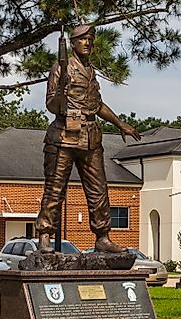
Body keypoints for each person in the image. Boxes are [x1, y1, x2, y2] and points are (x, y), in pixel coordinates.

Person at [35, 24, 141, 253]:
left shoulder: (90, 71)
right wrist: (61, 94)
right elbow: (51, 104)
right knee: (55, 189)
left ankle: (102, 237)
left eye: (91, 39)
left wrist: (120, 123)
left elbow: (97, 104)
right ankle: (44, 234)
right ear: (73, 43)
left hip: (91, 137)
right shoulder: (61, 68)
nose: (88, 43)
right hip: (63, 137)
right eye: (83, 39)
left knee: (98, 190)